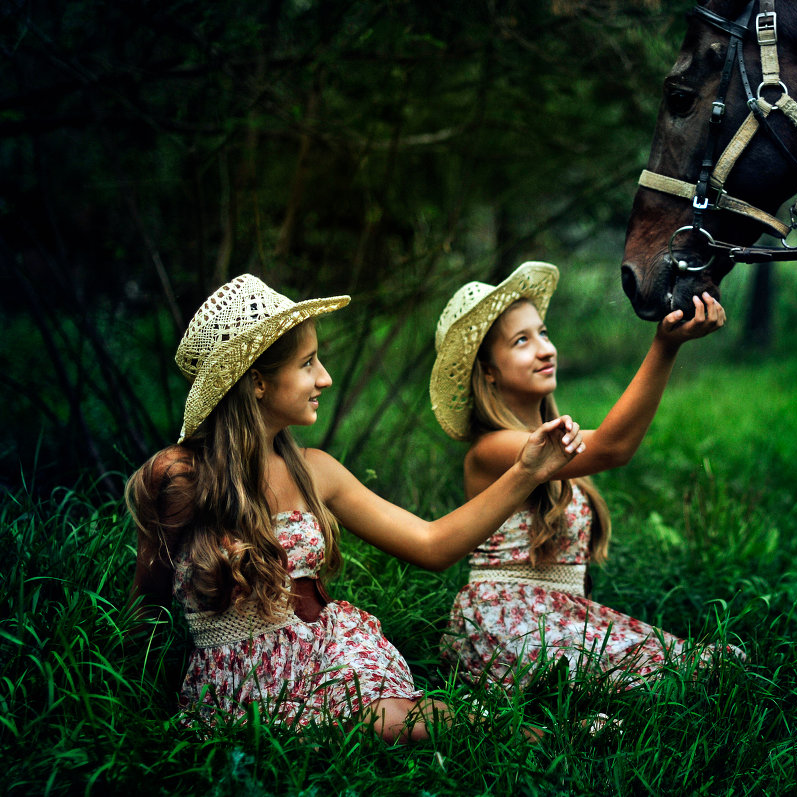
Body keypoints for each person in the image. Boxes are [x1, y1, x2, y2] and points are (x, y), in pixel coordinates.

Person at [126, 273, 583, 743]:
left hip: (327, 652)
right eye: (308, 364)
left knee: (402, 721)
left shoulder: (314, 470)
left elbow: (431, 544)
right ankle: (537, 733)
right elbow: (146, 604)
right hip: (241, 681)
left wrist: (525, 473)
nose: (324, 377)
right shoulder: (179, 476)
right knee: (399, 723)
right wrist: (129, 701)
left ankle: (549, 736)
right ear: (258, 383)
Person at [429, 261, 742, 692]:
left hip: (559, 616)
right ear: (488, 371)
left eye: (543, 332)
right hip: (507, 622)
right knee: (688, 676)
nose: (545, 349)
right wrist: (664, 347)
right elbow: (614, 446)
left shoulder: (540, 445)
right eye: (522, 341)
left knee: (713, 669)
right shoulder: (492, 449)